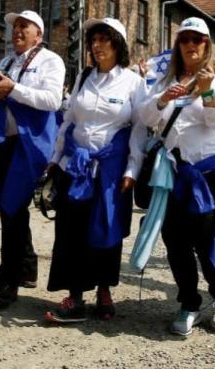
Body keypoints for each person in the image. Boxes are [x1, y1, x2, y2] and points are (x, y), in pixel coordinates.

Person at [43, 17, 147, 324]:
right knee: (71, 229)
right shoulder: (83, 76)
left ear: (119, 44)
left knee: (106, 227)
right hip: (76, 166)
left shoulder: (133, 82)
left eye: (105, 39)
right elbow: (69, 120)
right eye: (94, 40)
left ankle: (104, 291)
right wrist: (55, 158)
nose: (97, 45)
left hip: (111, 169)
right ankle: (75, 296)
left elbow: (139, 130)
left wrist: (132, 169)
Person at [139, 17, 215, 336]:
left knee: (208, 240)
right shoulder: (165, 79)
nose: (191, 45)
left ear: (207, 46)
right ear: (178, 45)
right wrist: (163, 99)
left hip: (207, 171)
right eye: (185, 39)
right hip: (172, 173)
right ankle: (189, 302)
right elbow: (146, 117)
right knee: (176, 241)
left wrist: (206, 92)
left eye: (198, 40)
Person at [0, 10, 65, 310]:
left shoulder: (50, 61)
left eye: (23, 26)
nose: (16, 31)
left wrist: (13, 88)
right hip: (4, 138)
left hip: (32, 142)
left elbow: (53, 100)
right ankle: (27, 266)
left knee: (13, 205)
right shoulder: (6, 61)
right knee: (10, 205)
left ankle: (9, 277)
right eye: (15, 27)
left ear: (38, 34)